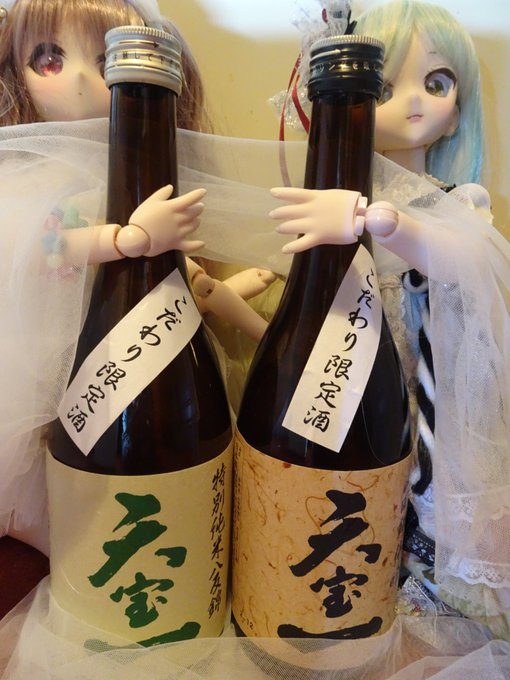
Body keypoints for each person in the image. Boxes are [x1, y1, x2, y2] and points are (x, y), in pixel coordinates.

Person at [268, 0, 510, 638]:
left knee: (423, 488)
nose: (414, 103)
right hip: (360, 376)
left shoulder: (458, 202)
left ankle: (418, 584)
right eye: (385, 88)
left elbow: (465, 261)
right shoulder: (333, 202)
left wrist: (373, 221)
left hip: (429, 385)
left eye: (437, 82)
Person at [0, 0, 272, 555]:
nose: (81, 79)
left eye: (104, 62)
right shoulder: (32, 177)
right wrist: (127, 239)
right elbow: (37, 248)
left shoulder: (132, 170)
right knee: (50, 445)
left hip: (125, 332)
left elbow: (183, 274)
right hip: (55, 342)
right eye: (48, 59)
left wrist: (239, 308)